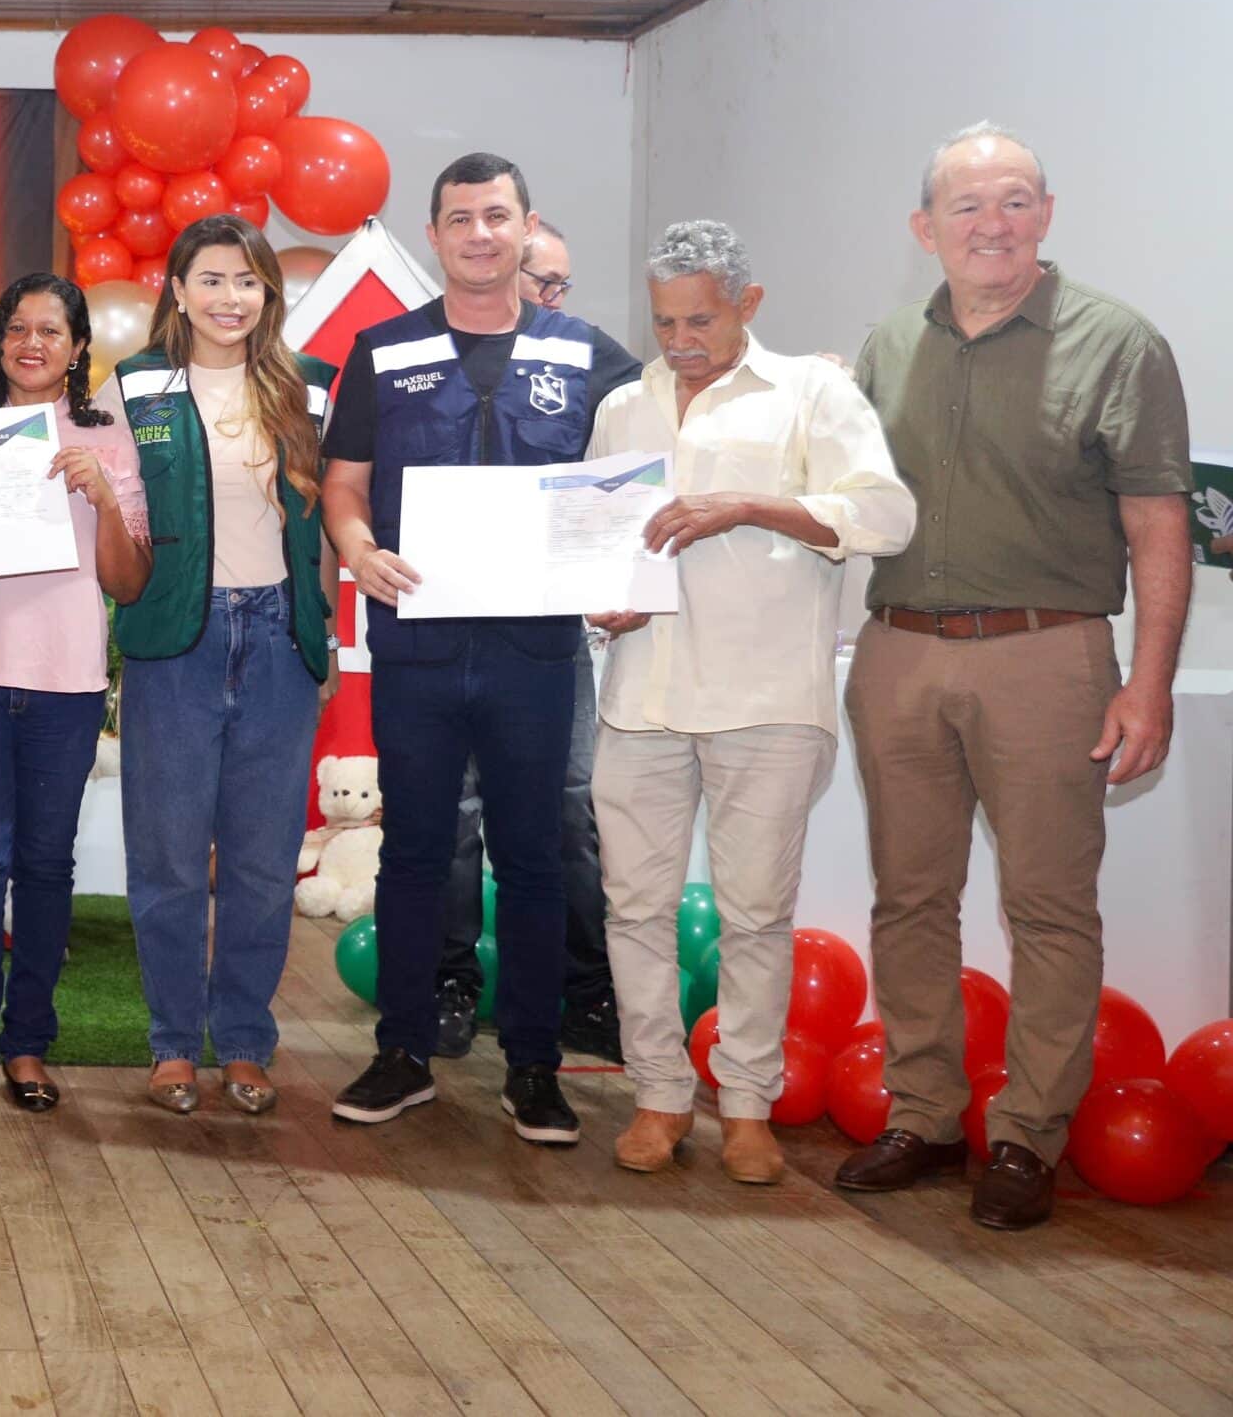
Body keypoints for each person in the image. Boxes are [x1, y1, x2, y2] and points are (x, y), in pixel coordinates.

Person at [836, 124, 1191, 1230]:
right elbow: (843, 501)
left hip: (1049, 654)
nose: (991, 224)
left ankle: (1030, 1135)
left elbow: (1158, 522)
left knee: (1047, 904)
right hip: (897, 649)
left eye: (1014, 201)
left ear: (1046, 213)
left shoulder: (1118, 342)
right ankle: (925, 1113)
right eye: (966, 205)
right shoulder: (885, 345)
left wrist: (1148, 682)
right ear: (924, 227)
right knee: (908, 895)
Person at [322, 152, 640, 1145]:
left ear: (525, 227)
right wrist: (356, 547)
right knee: (415, 850)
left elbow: (635, 476)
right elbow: (343, 483)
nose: (479, 233)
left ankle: (535, 1065)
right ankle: (403, 1051)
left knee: (536, 855)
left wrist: (622, 578)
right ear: (434, 235)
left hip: (535, 656)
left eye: (496, 215)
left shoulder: (588, 356)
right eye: (459, 218)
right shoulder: (382, 351)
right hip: (418, 651)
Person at [586, 221, 913, 1183]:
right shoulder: (622, 406)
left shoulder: (813, 392)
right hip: (640, 697)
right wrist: (603, 605)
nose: (679, 340)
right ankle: (658, 1097)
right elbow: (602, 542)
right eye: (664, 322)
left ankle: (745, 1107)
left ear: (749, 304)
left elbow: (887, 514)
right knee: (633, 909)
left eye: (701, 320)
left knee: (756, 915)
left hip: (767, 699)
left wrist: (749, 505)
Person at [114, 213, 335, 1118]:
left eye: (248, 281)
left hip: (280, 639)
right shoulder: (134, 387)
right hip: (176, 640)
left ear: (267, 294)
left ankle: (244, 1039)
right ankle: (172, 1043)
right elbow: (112, 518)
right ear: (177, 289)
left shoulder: (308, 387)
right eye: (211, 278)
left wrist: (319, 635)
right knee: (168, 857)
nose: (230, 298)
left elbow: (328, 522)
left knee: (263, 861)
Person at [0, 275, 151, 1114]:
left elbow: (128, 584)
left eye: (51, 330)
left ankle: (28, 1042)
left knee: (47, 865)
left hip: (65, 683)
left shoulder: (109, 440)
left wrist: (102, 496)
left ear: (78, 345)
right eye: (17, 328)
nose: (32, 343)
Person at [433, 217, 620, 1063]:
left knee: (570, 810)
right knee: (454, 815)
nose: (553, 297)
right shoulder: (422, 351)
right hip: (446, 626)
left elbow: (657, 415)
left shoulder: (584, 351)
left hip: (548, 629)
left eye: (560, 284)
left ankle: (585, 992)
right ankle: (450, 985)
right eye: (545, 281)